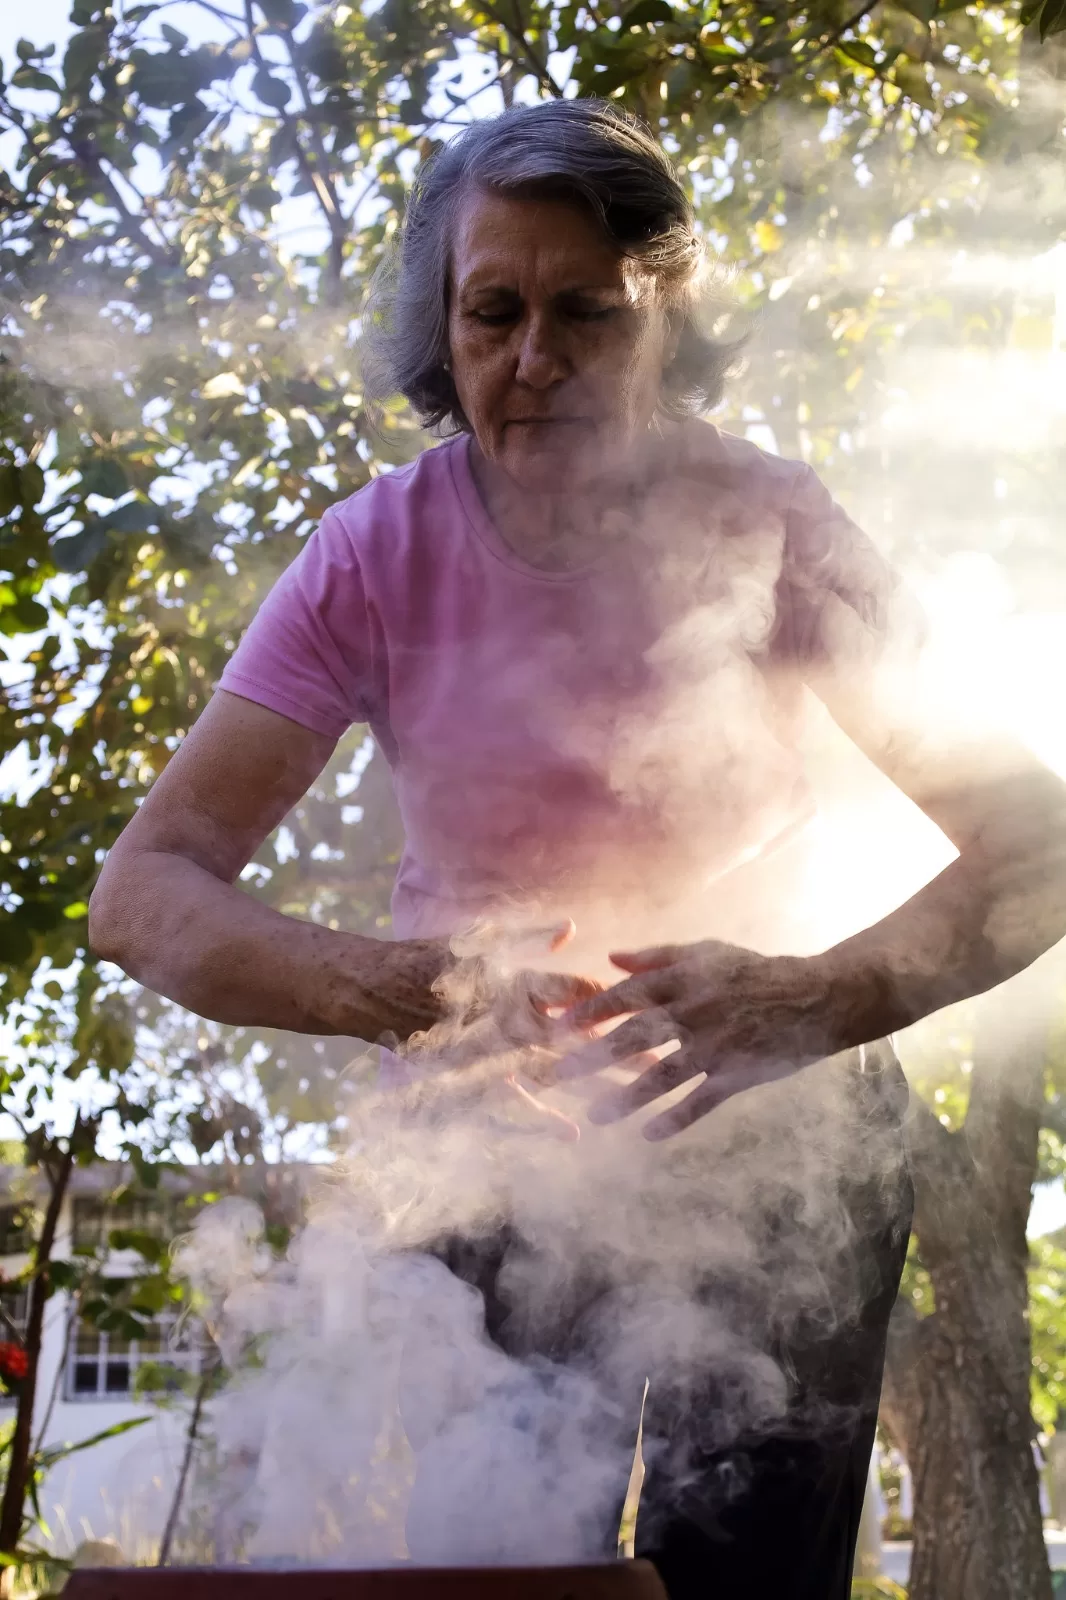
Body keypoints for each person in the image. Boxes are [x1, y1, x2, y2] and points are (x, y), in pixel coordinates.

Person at [88, 100, 1066, 1595]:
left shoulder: (777, 525)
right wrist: (400, 990)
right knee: (490, 1573)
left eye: (585, 315)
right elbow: (143, 894)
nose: (532, 359)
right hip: (485, 1154)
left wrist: (815, 997)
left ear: (662, 324)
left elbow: (1036, 845)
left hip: (781, 1146)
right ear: (444, 325)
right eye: (493, 313)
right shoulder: (371, 554)